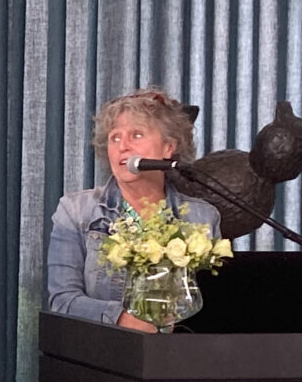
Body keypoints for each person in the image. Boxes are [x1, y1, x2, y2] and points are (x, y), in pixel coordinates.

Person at [46, 88, 222, 332]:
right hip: (103, 357)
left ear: (168, 148)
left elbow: (212, 310)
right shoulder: (76, 211)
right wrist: (124, 319)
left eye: (136, 135)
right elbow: (63, 301)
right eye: (114, 138)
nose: (122, 147)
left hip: (178, 359)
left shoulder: (202, 217)